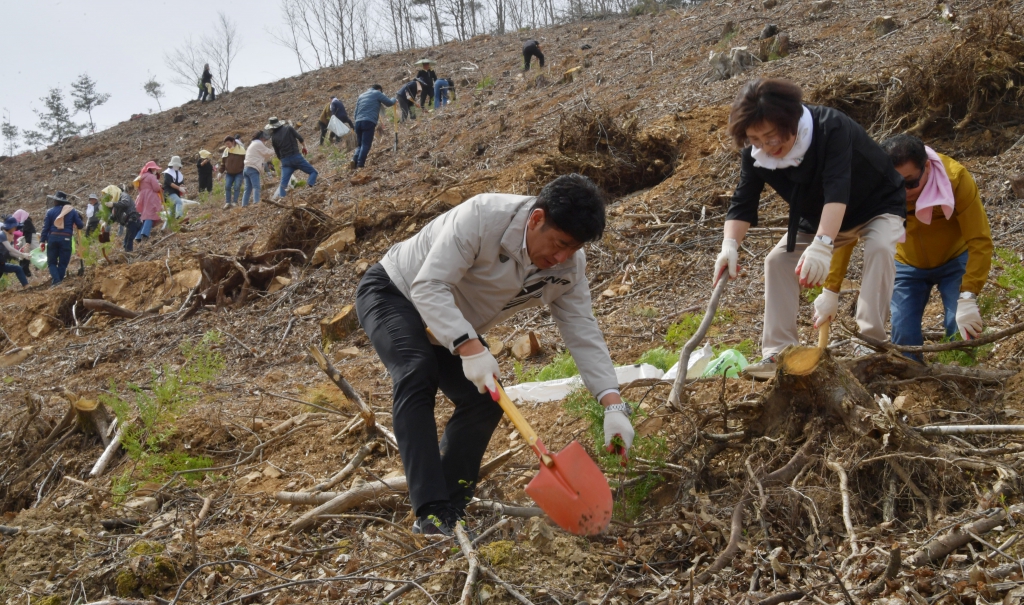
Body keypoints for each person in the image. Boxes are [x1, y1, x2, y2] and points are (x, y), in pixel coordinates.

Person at [355, 174, 635, 536]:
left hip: (451, 320)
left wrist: (612, 404)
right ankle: (431, 511)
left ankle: (453, 505)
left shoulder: (568, 268)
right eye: (560, 243)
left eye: (575, 248)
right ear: (536, 219)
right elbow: (429, 286)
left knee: (487, 398)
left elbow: (582, 330)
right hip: (396, 292)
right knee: (416, 369)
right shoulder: (483, 217)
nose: (562, 257)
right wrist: (470, 348)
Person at [715, 78, 906, 378]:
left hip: (876, 204)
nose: (767, 146)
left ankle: (871, 343)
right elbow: (743, 200)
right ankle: (778, 353)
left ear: (790, 121)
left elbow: (837, 189)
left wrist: (823, 245)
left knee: (881, 247)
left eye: (772, 136)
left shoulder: (831, 127)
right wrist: (730, 246)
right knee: (777, 261)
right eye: (756, 139)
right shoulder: (757, 154)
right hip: (818, 215)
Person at [819, 134, 992, 355]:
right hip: (906, 264)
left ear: (927, 167)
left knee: (958, 324)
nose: (904, 192)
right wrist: (831, 289)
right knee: (903, 337)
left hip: (955, 259)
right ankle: (913, 379)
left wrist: (969, 294)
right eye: (896, 183)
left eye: (910, 183)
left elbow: (979, 238)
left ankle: (963, 377)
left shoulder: (955, 179)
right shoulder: (874, 183)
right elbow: (848, 235)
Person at [39, 191, 84, 286]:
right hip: (66, 239)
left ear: (56, 201)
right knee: (63, 263)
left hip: (52, 238)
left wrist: (42, 241)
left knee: (51, 263)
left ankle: (56, 281)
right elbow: (80, 225)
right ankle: (58, 282)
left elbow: (45, 228)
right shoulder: (72, 211)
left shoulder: (50, 211)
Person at [267, 117, 317, 199]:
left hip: (285, 162)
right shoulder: (288, 128)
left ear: (271, 127)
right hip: (296, 157)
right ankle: (310, 186)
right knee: (313, 172)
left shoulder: (273, 137)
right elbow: (300, 138)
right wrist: (304, 147)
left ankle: (282, 200)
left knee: (283, 185)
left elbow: (277, 152)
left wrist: (283, 160)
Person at [351, 85, 396, 169]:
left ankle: (354, 160)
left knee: (360, 144)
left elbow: (355, 112)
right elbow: (389, 103)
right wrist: (394, 99)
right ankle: (360, 165)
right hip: (368, 121)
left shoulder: (361, 95)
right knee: (366, 144)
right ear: (379, 89)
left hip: (358, 122)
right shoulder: (377, 93)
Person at [103, 185, 143, 252]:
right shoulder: (116, 203)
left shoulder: (123, 195)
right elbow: (114, 217)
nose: (110, 197)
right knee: (126, 242)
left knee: (128, 241)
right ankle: (129, 255)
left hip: (133, 220)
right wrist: (106, 222)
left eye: (110, 195)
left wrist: (113, 204)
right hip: (129, 223)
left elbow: (126, 203)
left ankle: (130, 258)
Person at [242, 130, 276, 207]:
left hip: (246, 168)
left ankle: (244, 205)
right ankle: (256, 203)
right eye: (264, 139)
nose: (265, 141)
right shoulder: (258, 144)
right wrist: (275, 149)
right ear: (261, 138)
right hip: (253, 168)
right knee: (256, 186)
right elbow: (268, 152)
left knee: (247, 189)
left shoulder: (252, 144)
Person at [134, 161, 164, 245]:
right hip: (151, 197)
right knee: (150, 215)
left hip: (142, 197)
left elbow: (139, 189)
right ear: (152, 169)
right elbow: (155, 188)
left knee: (144, 216)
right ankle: (145, 234)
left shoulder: (141, 177)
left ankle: (138, 236)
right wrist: (159, 186)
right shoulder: (151, 177)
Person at [1, 217, 31, 289]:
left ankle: (27, 287)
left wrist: (22, 256)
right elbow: (10, 248)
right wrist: (22, 254)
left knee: (18, 268)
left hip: (1, 263)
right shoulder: (2, 235)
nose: (15, 229)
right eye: (14, 227)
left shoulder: (9, 236)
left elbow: (11, 253)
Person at [220, 137, 246, 209]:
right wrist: (220, 172)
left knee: (237, 186)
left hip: (239, 172)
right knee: (227, 186)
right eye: (226, 144)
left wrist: (245, 170)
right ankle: (228, 202)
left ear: (233, 142)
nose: (227, 145)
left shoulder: (241, 150)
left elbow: (245, 161)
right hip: (229, 173)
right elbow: (223, 162)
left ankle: (235, 202)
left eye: (228, 143)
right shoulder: (226, 151)